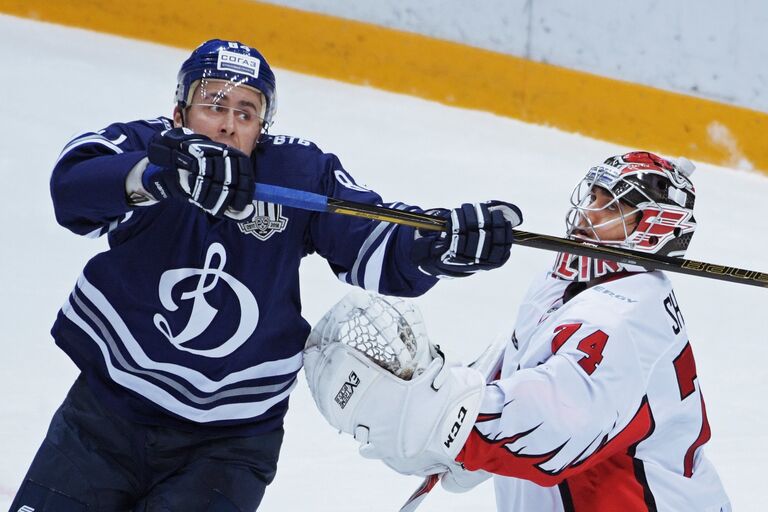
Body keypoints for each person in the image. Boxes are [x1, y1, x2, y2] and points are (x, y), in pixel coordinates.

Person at [10, 39, 523, 512]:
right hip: (104, 416)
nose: (229, 124)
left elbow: (372, 242)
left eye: (246, 112)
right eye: (213, 104)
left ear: (262, 129)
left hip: (228, 444)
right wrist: (155, 175)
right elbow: (72, 188)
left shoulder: (296, 173)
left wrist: (435, 244)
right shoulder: (151, 148)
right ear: (179, 113)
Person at [304, 151, 731, 511]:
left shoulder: (624, 321)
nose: (588, 213)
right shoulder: (570, 278)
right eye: (594, 196)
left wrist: (439, 414)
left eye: (613, 208)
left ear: (654, 229)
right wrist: (449, 412)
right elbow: (520, 369)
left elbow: (549, 426)